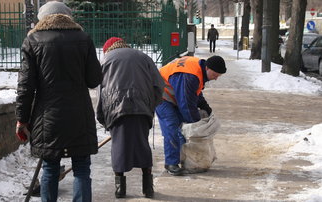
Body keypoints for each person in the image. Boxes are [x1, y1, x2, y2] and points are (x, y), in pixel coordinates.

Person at [15, 2, 102, 202]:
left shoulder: (33, 41)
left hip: (48, 118)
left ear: (42, 18)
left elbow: (26, 86)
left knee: (50, 168)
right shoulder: (83, 39)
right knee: (81, 167)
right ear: (68, 17)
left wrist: (22, 119)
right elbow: (94, 80)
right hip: (79, 115)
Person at [96, 37, 165, 198]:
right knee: (142, 145)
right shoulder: (143, 57)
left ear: (108, 49)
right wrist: (150, 106)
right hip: (142, 108)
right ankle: (148, 188)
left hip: (115, 110)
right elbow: (158, 85)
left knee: (119, 147)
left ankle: (120, 188)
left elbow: (100, 91)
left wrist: (102, 116)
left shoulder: (106, 60)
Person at [156, 55, 226, 176]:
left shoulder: (198, 71)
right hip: (161, 95)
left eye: (218, 76)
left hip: (173, 95)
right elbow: (186, 104)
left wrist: (206, 108)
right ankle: (171, 163)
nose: (216, 79)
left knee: (182, 128)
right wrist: (196, 124)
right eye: (215, 75)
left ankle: (183, 159)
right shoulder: (190, 75)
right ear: (208, 68)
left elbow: (194, 93)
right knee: (172, 127)